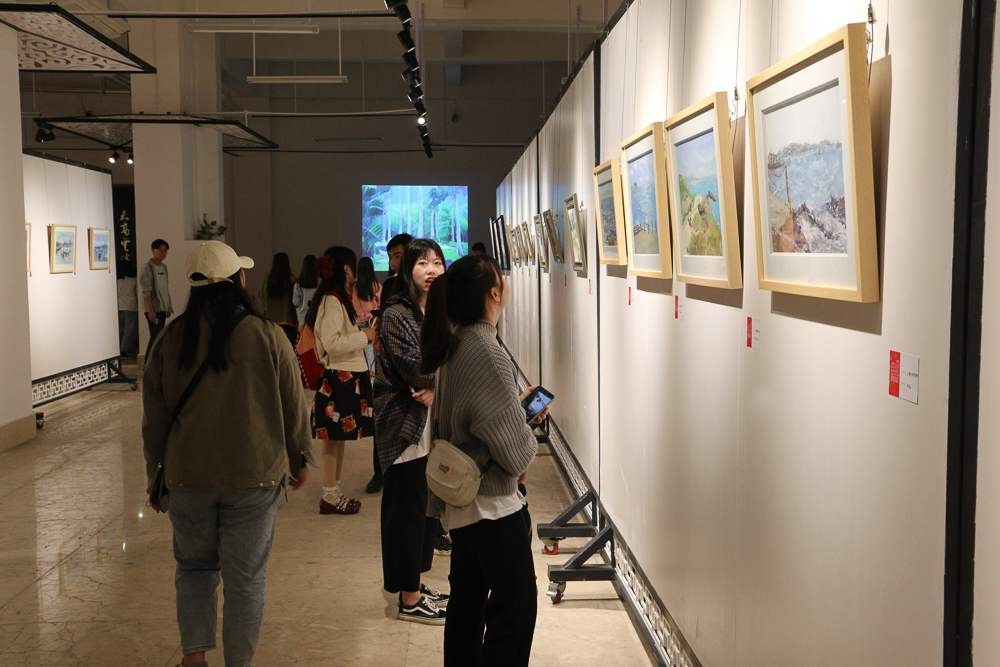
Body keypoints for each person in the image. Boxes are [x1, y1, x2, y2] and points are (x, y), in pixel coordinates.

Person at [142, 240, 313, 667]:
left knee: (194, 569)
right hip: (254, 474)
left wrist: (155, 474)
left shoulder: (171, 338)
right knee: (245, 580)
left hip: (188, 476)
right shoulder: (267, 335)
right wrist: (300, 457)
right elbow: (293, 404)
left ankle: (194, 658)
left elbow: (154, 418)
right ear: (239, 279)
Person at [421, 253, 544, 665]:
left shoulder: (460, 342)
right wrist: (523, 428)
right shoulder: (486, 350)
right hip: (491, 507)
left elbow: (478, 416)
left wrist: (513, 408)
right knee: (515, 609)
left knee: (467, 606)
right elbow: (516, 454)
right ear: (493, 293)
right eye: (500, 277)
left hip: (465, 507)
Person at [374, 238, 451, 625]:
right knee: (405, 513)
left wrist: (437, 386)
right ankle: (408, 598)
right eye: (422, 263)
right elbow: (416, 368)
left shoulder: (437, 311)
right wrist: (435, 380)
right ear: (407, 270)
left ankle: (416, 585)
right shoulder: (395, 315)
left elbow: (446, 362)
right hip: (403, 428)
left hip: (428, 428)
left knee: (425, 512)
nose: (432, 270)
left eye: (437, 262)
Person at [306, 247, 376, 515]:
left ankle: (334, 492)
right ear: (347, 268)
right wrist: (366, 336)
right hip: (339, 378)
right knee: (332, 439)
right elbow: (332, 343)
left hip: (346, 376)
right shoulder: (332, 300)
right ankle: (330, 494)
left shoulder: (336, 299)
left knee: (338, 438)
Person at [353, 256, 384, 494]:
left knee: (365, 363)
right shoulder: (377, 285)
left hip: (359, 330)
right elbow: (379, 307)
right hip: (373, 329)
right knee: (373, 362)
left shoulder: (355, 288)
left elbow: (354, 308)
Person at [139, 238, 173, 358]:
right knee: (155, 337)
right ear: (154, 250)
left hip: (162, 309)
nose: (164, 253)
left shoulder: (164, 267)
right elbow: (146, 291)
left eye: (166, 251)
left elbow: (165, 288)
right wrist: (150, 310)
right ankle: (148, 363)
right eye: (161, 250)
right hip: (153, 309)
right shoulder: (147, 268)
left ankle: (154, 362)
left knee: (158, 337)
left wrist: (168, 307)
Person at [259, 252, 299, 347]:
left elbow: (262, 299)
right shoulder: (293, 281)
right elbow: (297, 303)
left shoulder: (267, 281)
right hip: (289, 323)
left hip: (271, 323)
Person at [381, 233, 413, 301]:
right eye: (390, 257)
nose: (392, 262)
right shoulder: (389, 285)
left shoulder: (423, 283)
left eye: (397, 256)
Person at [117, 270, 139, 358]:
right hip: (131, 307)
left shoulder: (118, 281)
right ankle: (124, 349)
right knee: (129, 330)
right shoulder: (134, 281)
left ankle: (118, 348)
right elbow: (137, 293)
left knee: (120, 329)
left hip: (119, 306)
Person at [294, 254, 319, 325]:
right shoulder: (320, 284)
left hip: (301, 319)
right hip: (316, 319)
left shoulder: (297, 284)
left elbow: (295, 302)